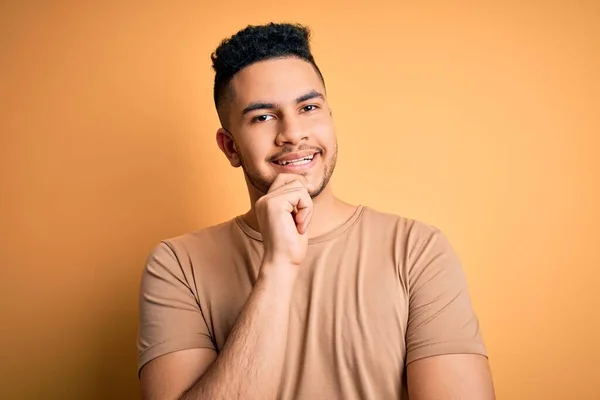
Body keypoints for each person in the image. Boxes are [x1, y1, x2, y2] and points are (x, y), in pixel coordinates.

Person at [137, 22, 496, 400]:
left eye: (308, 107)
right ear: (230, 147)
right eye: (262, 116)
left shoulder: (417, 250)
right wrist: (277, 267)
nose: (292, 132)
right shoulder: (177, 265)